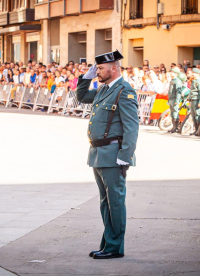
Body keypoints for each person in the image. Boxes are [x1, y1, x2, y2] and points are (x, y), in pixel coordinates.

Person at [76, 50, 139, 260]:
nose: (98, 72)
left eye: (101, 68)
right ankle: (108, 243)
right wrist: (86, 77)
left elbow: (132, 127)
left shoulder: (124, 91)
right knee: (105, 202)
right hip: (98, 153)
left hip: (114, 155)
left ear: (114, 68)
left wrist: (125, 156)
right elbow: (83, 96)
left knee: (116, 201)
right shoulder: (104, 90)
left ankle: (115, 247)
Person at [188, 68, 200, 136]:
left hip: (197, 100)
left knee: (198, 115)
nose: (192, 74)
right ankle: (196, 130)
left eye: (194, 73)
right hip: (193, 100)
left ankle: (199, 130)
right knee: (193, 116)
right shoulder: (194, 81)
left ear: (198, 74)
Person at [167, 68, 183, 133]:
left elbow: (178, 92)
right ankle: (173, 126)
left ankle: (176, 127)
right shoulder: (172, 80)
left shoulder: (177, 81)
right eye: (170, 72)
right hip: (171, 98)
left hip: (174, 99)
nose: (171, 73)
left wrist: (177, 100)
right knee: (172, 113)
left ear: (176, 73)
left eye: (172, 72)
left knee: (175, 113)